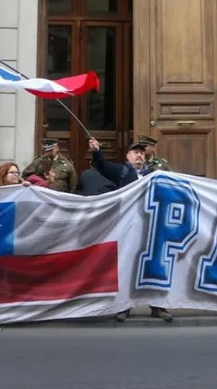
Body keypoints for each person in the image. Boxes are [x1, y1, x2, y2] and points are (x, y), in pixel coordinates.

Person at [89, 137, 173, 323]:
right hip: (128, 226)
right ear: (128, 156)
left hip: (151, 227)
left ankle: (157, 306)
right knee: (126, 265)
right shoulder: (122, 171)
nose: (139, 155)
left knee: (153, 266)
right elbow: (102, 166)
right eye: (136, 152)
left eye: (142, 153)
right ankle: (124, 306)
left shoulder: (154, 174)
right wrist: (96, 151)